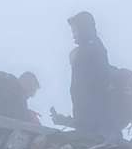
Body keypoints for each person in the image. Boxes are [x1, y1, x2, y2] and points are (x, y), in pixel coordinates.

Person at [50, 11, 117, 140]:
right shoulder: (92, 49)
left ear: (85, 28)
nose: (73, 35)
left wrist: (82, 122)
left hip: (97, 127)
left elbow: (92, 93)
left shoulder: (91, 51)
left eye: (76, 30)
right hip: (94, 124)